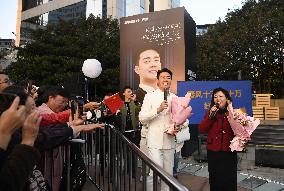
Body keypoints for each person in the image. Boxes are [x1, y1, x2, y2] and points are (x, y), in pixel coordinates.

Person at [139, 68, 179, 191]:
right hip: (154, 142)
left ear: (171, 80)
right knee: (153, 173)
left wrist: (178, 126)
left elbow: (182, 119)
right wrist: (158, 109)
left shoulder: (175, 98)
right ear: (157, 80)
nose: (165, 79)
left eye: (168, 77)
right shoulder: (149, 96)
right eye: (163, 77)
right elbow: (142, 118)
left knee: (168, 175)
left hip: (170, 141)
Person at [198, 87, 237, 191]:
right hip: (213, 151)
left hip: (229, 151)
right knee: (215, 179)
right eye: (215, 97)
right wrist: (210, 116)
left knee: (229, 178)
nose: (217, 98)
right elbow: (202, 129)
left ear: (227, 99)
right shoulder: (210, 112)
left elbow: (240, 130)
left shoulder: (234, 113)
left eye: (220, 96)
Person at [134, 49, 162, 162]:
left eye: (156, 60)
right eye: (147, 61)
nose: (153, 64)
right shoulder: (138, 96)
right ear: (137, 69)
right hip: (147, 138)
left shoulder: (168, 95)